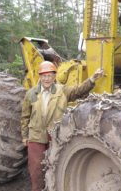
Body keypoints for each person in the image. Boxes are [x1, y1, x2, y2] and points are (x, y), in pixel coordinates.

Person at [21, 61, 104, 191]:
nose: (47, 79)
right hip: (36, 135)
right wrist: (25, 136)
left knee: (55, 165)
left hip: (55, 135)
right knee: (36, 168)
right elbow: (25, 116)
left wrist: (92, 78)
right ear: (40, 76)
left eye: (49, 75)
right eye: (44, 76)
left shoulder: (62, 90)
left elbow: (77, 91)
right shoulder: (31, 94)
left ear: (54, 76)